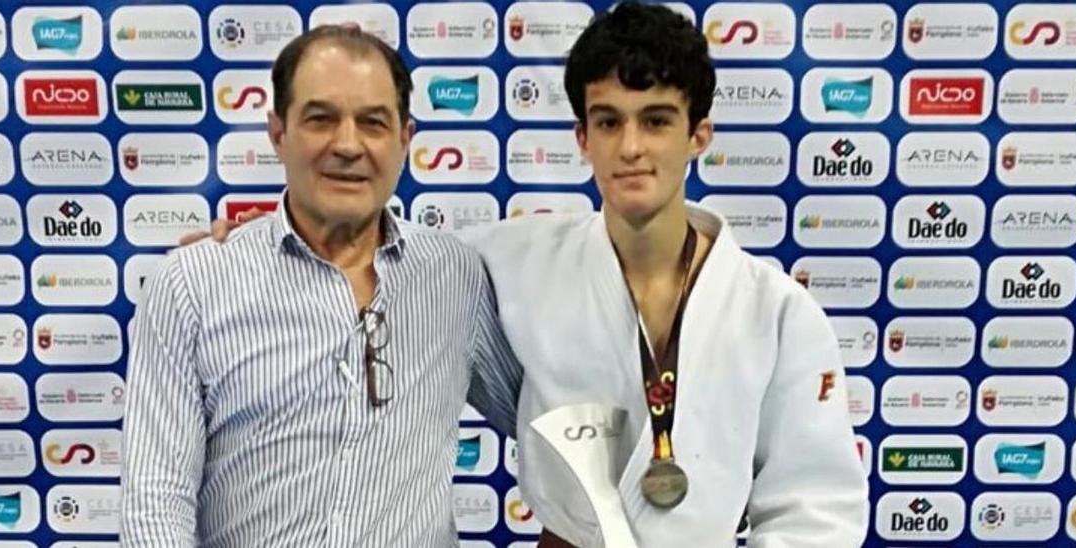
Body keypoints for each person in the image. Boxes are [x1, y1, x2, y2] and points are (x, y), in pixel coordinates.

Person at [200, 3, 868, 546]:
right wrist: (249, 246)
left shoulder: (777, 313)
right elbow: (377, 247)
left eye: (657, 121)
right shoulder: (514, 258)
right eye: (609, 122)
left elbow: (815, 506)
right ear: (583, 138)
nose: (631, 147)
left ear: (698, 135)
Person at [118, 25, 523, 548]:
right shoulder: (192, 284)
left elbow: (551, 423)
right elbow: (156, 505)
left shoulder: (458, 276)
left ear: (405, 139)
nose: (348, 145)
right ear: (278, 132)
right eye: (320, 119)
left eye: (373, 123)